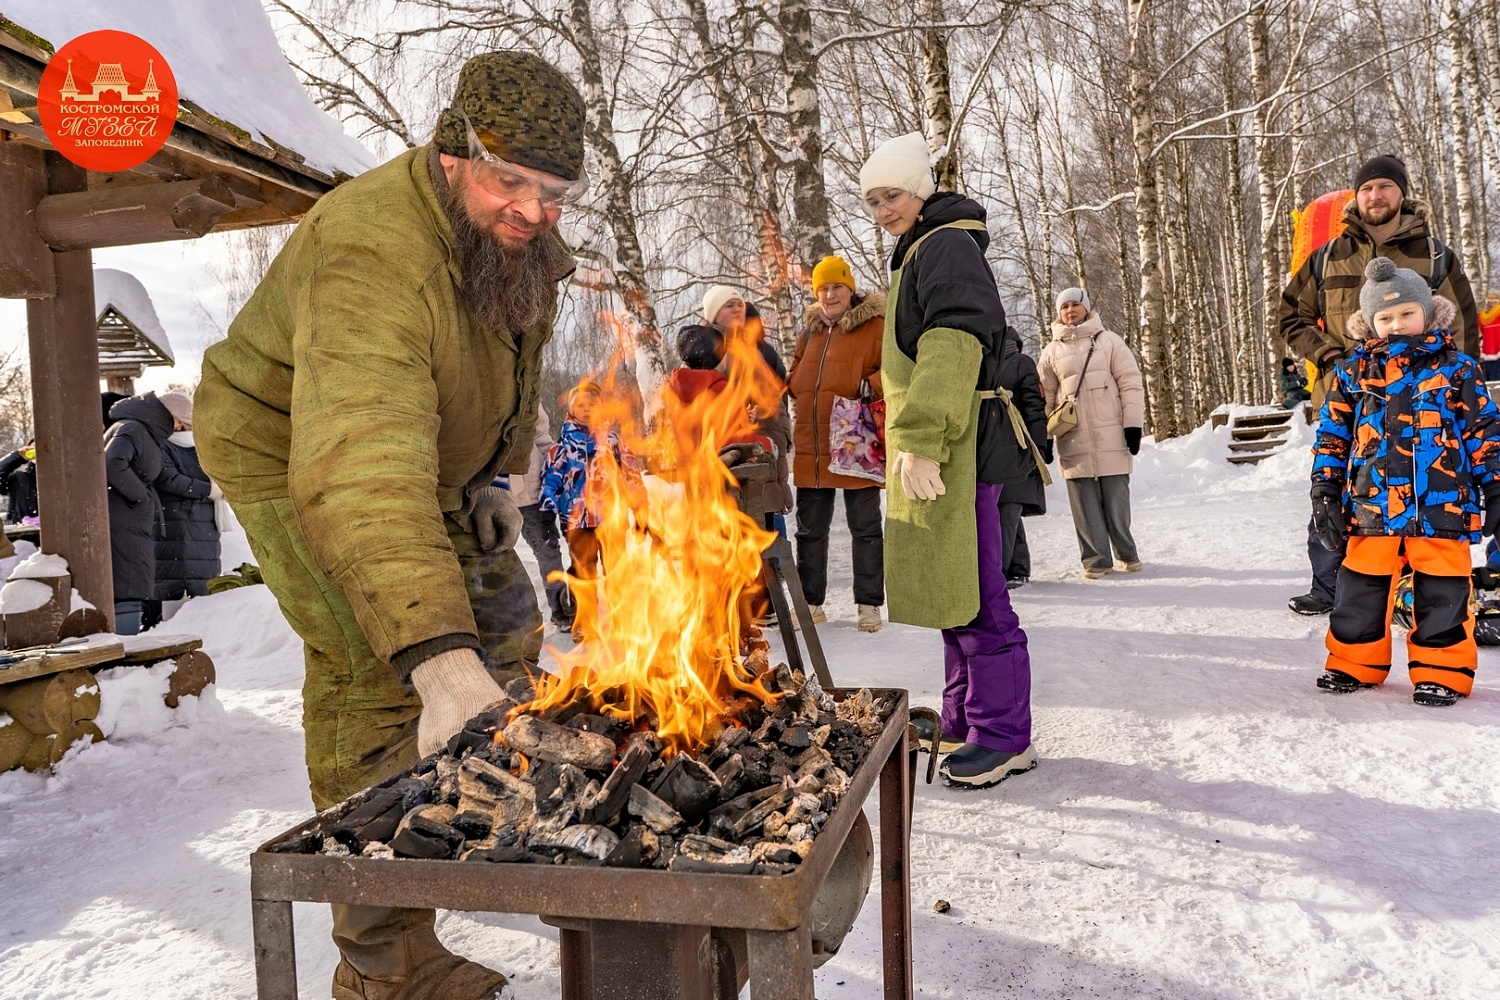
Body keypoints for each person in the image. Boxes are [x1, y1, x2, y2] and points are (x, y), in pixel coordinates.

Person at [195, 50, 586, 999]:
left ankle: (528, 837)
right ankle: (386, 961)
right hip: (301, 458)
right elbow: (361, 467)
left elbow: (496, 361)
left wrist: (490, 477)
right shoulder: (371, 249)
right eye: (511, 182)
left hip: (426, 457)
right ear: (454, 154)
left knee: (508, 631)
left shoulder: (511, 237)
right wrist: (437, 667)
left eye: (555, 190)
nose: (534, 210)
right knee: (383, 673)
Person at [861, 131, 1035, 789]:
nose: (883, 209)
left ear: (921, 191)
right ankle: (965, 718)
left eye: (893, 194)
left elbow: (952, 345)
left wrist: (923, 440)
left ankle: (1003, 736)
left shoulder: (946, 247)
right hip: (938, 447)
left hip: (961, 447)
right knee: (951, 592)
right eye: (873, 200)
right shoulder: (920, 250)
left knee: (981, 596)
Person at [1280, 154, 1479, 616]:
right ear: (1356, 196)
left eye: (1385, 186)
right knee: (1340, 486)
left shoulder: (1433, 256)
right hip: (1349, 397)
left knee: (1423, 490)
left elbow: (1463, 327)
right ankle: (1329, 587)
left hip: (1427, 404)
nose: (1375, 195)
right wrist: (1328, 354)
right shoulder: (1328, 256)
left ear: (1402, 193)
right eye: (1367, 188)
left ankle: (1412, 591)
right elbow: (1289, 314)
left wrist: (1458, 388)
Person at [1311, 257, 1500, 707]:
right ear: (1370, 323)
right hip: (1370, 505)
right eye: (1385, 317)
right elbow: (1332, 436)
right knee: (1359, 590)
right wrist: (1324, 489)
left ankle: (1443, 672)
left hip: (1441, 507)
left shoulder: (1459, 369)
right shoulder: (1352, 373)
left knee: (1444, 593)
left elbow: (1485, 432)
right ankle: (1354, 664)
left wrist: (1495, 484)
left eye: (1407, 314)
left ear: (1428, 313)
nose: (1397, 324)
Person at [787, 255, 886, 631]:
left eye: (837, 287)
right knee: (810, 529)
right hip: (813, 443)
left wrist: (870, 386)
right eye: (823, 288)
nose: (830, 295)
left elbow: (894, 367)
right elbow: (796, 369)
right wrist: (796, 384)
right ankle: (811, 603)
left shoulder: (874, 326)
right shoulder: (810, 330)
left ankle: (868, 604)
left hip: (856, 441)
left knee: (865, 526)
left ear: (850, 289)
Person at [1039, 288, 1145, 579]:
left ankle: (1127, 554)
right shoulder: (1051, 352)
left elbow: (1131, 383)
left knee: (1116, 497)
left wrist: (1133, 425)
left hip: (1111, 432)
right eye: (1065, 307)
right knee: (1083, 502)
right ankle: (1096, 561)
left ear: (1086, 309)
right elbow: (1044, 398)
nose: (1070, 311)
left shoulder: (1109, 341)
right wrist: (1044, 438)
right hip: (1073, 436)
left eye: (1076, 305)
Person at [540, 381, 620, 644]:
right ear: (572, 410)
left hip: (611, 517)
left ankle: (624, 618)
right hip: (576, 521)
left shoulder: (611, 440)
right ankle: (585, 621)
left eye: (592, 405)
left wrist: (640, 504)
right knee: (584, 572)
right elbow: (551, 476)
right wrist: (548, 504)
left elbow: (629, 473)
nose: (586, 410)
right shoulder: (563, 444)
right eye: (580, 406)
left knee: (618, 569)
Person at [102, 392, 173, 635]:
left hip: (128, 518)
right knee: (128, 583)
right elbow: (112, 462)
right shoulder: (133, 429)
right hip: (124, 518)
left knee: (131, 581)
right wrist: (140, 495)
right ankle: (124, 646)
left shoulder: (139, 429)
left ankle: (126, 639)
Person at [990, 325, 1050, 588]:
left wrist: (1039, 447)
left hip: (1018, 447)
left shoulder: (1021, 363)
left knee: (1006, 509)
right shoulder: (983, 366)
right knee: (1005, 509)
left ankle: (1000, 573)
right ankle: (1017, 568)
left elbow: (1035, 407)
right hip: (992, 450)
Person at [152, 392, 220, 615]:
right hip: (176, 525)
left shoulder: (201, 446)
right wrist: (209, 490)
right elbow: (169, 480)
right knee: (176, 585)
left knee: (202, 586)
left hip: (202, 527)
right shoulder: (162, 446)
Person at [510, 403, 573, 632]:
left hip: (534, 493)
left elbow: (542, 436)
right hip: (495, 494)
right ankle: (506, 619)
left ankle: (562, 612)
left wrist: (558, 469)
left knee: (548, 553)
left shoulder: (526, 395)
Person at [0, 442, 38, 524]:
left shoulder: (64, 479)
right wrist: (18, 457)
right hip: (22, 534)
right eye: (34, 448)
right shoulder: (18, 479)